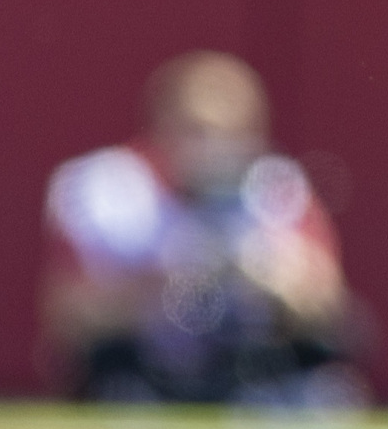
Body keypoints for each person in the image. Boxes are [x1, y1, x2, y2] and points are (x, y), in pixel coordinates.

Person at [42, 52, 360, 407]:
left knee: (324, 396)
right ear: (162, 125)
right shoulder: (107, 190)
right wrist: (166, 279)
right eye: (197, 131)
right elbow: (69, 318)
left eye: (231, 133)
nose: (212, 149)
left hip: (249, 378)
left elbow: (333, 312)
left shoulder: (275, 192)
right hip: (142, 378)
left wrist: (272, 277)